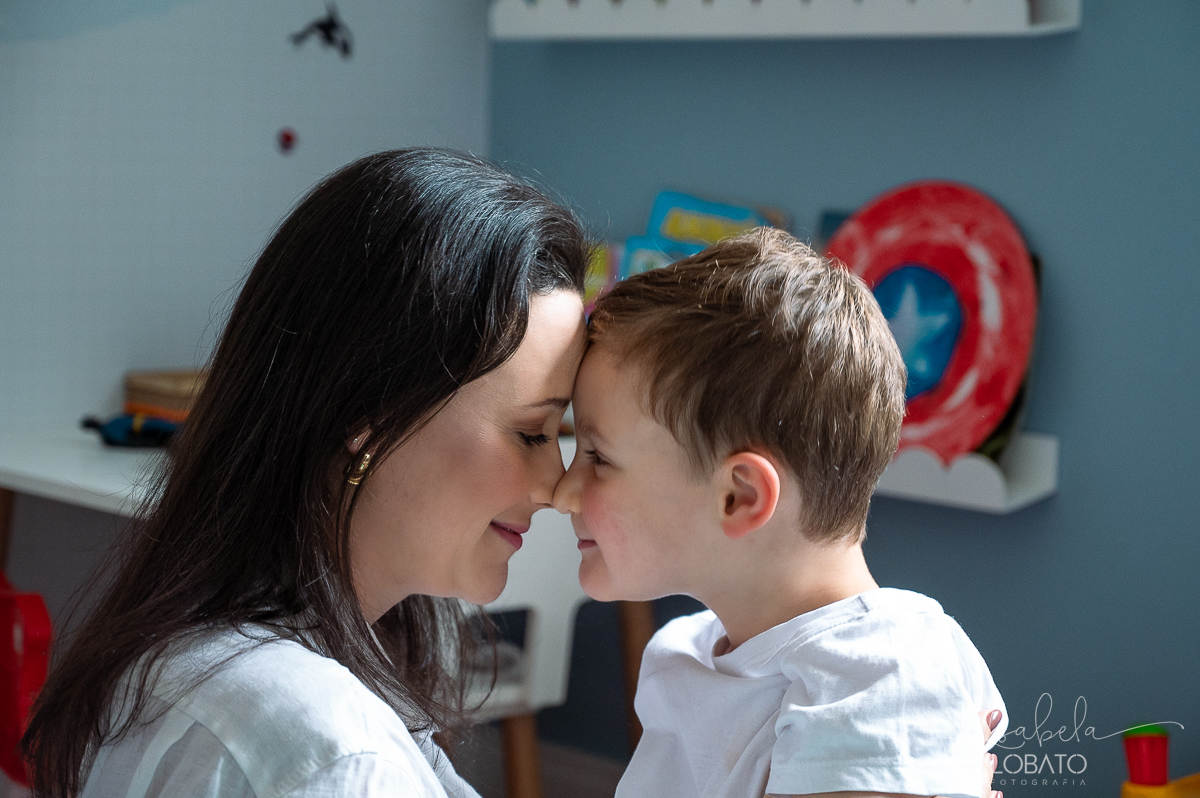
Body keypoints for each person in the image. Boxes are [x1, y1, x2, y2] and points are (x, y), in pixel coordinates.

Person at [21, 148, 590, 798]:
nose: (558, 486)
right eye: (532, 433)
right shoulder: (338, 760)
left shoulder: (176, 658)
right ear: (370, 410)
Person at [553, 227, 1007, 798]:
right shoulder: (687, 651)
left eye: (597, 457)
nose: (561, 492)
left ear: (739, 497)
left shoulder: (881, 678)